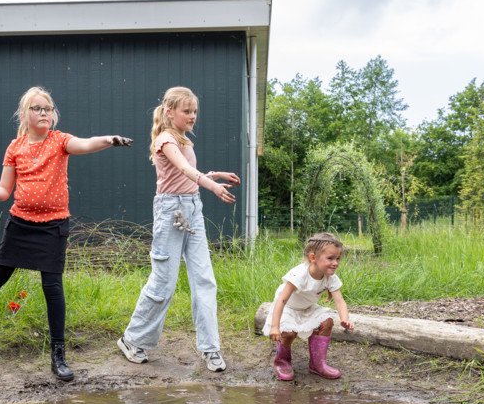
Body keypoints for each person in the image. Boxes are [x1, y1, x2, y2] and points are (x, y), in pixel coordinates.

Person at [0, 86, 132, 381]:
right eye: (37, 108)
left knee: (52, 286)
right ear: (24, 114)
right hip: (21, 222)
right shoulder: (16, 147)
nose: (44, 113)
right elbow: (4, 190)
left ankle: (58, 353)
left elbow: (85, 144)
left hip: (53, 225)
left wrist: (109, 140)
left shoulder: (60, 141)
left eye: (48, 108)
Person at [116, 86, 240, 372]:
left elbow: (187, 176)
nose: (192, 116)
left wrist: (215, 175)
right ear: (170, 112)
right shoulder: (166, 139)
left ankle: (211, 349)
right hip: (173, 214)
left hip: (191, 211)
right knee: (164, 282)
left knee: (204, 280)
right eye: (187, 111)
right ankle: (132, 339)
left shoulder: (183, 140)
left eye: (194, 111)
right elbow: (184, 171)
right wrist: (213, 186)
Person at [262, 232, 355, 381]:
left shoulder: (330, 277)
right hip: (288, 308)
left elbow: (340, 301)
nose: (335, 262)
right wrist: (275, 326)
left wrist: (345, 319)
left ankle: (318, 364)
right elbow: (281, 301)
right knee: (288, 333)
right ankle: (282, 361)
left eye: (338, 258)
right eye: (330, 258)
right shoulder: (299, 275)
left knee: (327, 322)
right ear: (313, 258)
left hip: (308, 308)